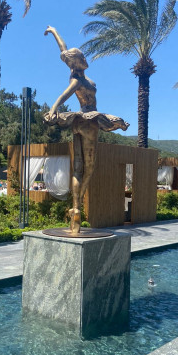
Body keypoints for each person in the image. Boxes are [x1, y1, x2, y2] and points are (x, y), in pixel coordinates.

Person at [43, 26, 129, 233]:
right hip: (89, 121)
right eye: (81, 57)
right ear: (78, 62)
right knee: (88, 168)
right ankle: (78, 205)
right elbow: (64, 95)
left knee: (77, 167)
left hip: (77, 123)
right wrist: (53, 109)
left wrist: (54, 31)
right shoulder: (78, 80)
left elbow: (63, 51)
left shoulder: (75, 73)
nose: (84, 59)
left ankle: (75, 207)